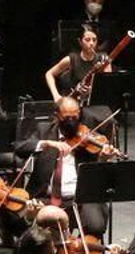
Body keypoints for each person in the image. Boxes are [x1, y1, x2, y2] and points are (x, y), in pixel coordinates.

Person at [14, 95, 116, 238]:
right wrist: (47, 143)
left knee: (95, 224)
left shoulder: (88, 137)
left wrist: (103, 159)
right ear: (57, 116)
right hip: (46, 196)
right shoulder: (44, 130)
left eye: (76, 117)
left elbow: (96, 174)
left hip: (80, 197)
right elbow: (19, 147)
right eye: (68, 118)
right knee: (21, 223)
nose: (72, 122)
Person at [45, 25, 117, 122]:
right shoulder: (71, 59)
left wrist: (92, 89)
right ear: (80, 41)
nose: (91, 43)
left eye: (94, 40)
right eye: (87, 40)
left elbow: (107, 85)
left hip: (95, 105)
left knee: (110, 121)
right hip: (75, 104)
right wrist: (56, 96)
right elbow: (49, 74)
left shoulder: (103, 59)